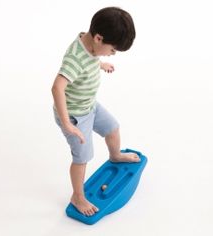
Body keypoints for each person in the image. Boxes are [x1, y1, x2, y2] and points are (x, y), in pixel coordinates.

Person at [51, 7, 140, 217]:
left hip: (90, 105)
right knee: (82, 158)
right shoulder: (75, 58)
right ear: (99, 38)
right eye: (112, 50)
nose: (113, 54)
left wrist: (101, 64)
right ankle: (78, 197)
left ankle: (115, 155)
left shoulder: (89, 42)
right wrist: (66, 123)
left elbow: (89, 57)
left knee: (113, 128)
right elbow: (57, 87)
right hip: (74, 115)